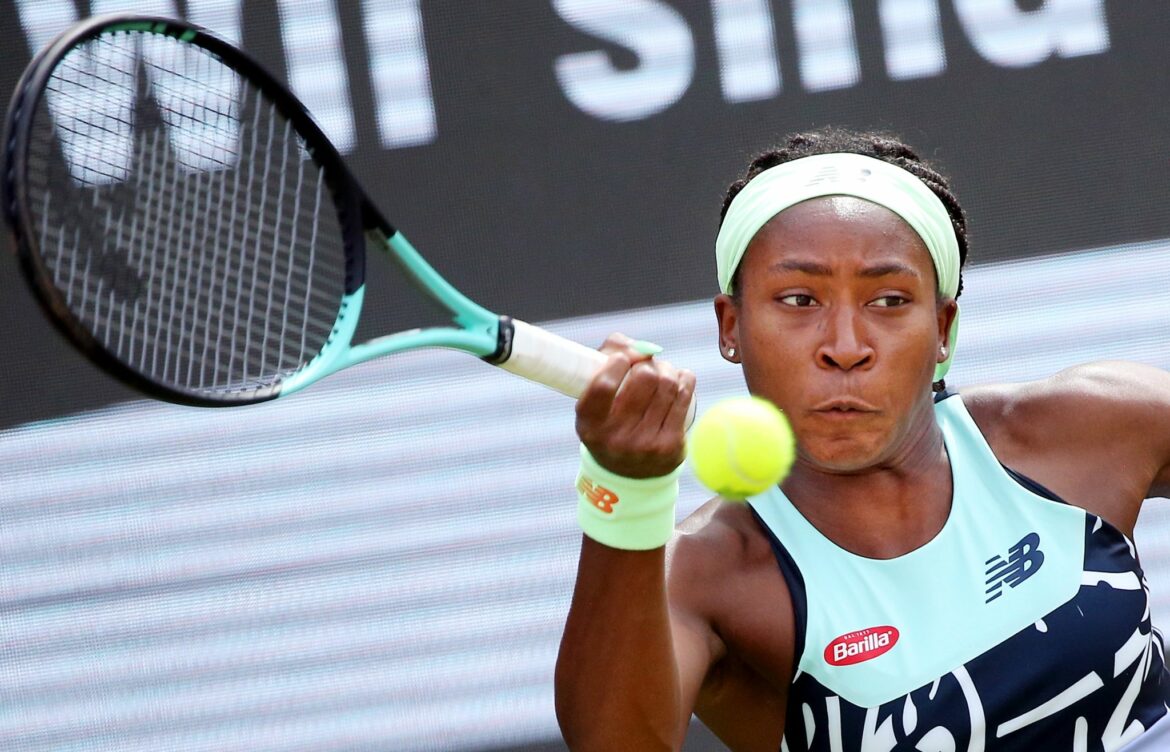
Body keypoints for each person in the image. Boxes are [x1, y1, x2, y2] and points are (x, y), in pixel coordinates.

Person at [553, 127, 1170, 751]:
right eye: (798, 299)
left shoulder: (1095, 424)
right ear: (732, 325)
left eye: (888, 299)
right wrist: (624, 492)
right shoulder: (700, 574)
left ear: (942, 329)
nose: (845, 347)